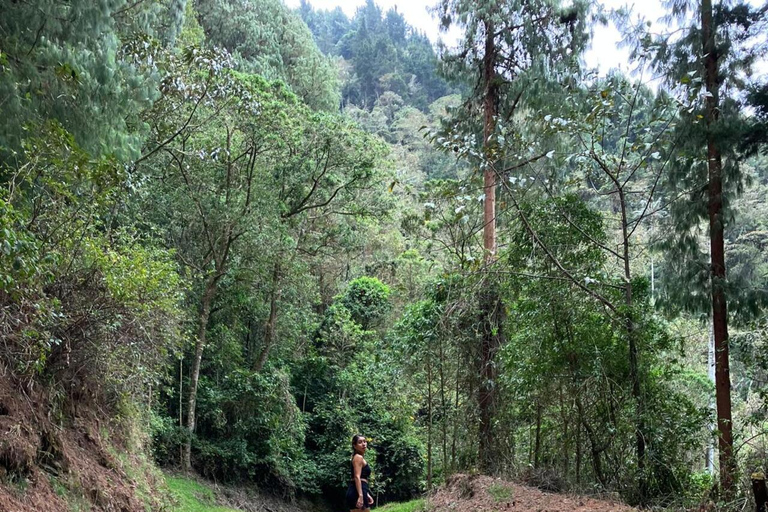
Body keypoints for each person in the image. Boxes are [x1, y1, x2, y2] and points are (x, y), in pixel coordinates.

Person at [346, 434, 374, 511]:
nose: (363, 444)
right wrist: (361, 496)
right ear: (354, 446)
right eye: (360, 442)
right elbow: (357, 477)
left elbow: (362, 477)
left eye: (365, 441)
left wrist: (366, 494)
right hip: (356, 492)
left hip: (360, 490)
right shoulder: (358, 457)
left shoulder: (358, 457)